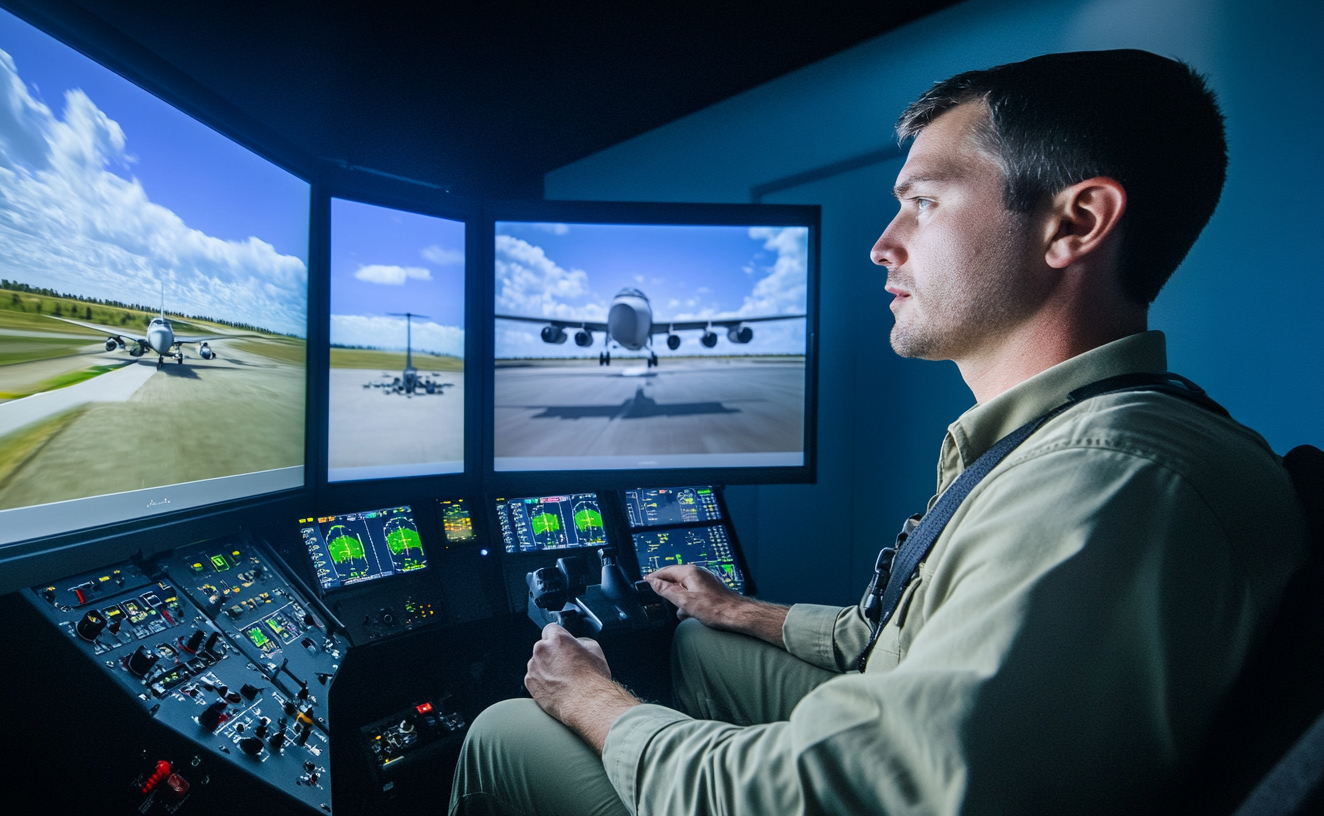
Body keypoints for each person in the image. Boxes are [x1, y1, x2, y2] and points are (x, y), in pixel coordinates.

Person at [449, 50, 1310, 815]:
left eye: (923, 202)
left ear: (1075, 223)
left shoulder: (1103, 478)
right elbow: (912, 635)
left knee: (503, 730)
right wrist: (744, 610)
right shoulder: (1072, 434)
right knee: (698, 641)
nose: (880, 245)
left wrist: (591, 701)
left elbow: (855, 793)